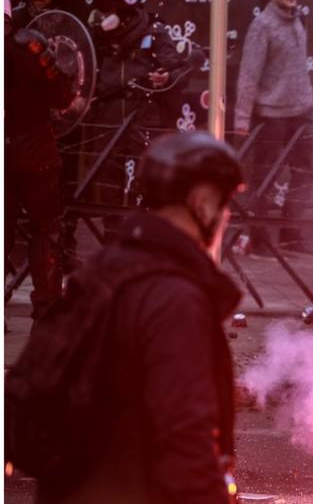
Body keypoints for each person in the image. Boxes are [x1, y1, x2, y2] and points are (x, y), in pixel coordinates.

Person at [34, 131, 244, 503]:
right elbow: (187, 440)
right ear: (201, 204)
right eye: (224, 205)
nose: (226, 217)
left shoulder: (103, 269)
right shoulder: (175, 299)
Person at [85, 0, 193, 238]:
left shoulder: (153, 31)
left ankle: (144, 233)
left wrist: (167, 77)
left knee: (145, 175)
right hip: (108, 114)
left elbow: (181, 68)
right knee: (107, 175)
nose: (102, 13)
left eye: (108, 5)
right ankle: (111, 233)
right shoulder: (96, 37)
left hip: (142, 114)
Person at [235, 0, 313, 256]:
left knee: (306, 173)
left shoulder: (298, 19)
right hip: (271, 113)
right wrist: (242, 118)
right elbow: (248, 74)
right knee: (265, 177)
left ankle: (290, 234)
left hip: (301, 110)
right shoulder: (262, 25)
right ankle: (258, 240)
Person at [4, 0, 75, 321]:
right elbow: (61, 94)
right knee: (45, 230)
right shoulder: (28, 45)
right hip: (35, 152)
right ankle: (46, 307)